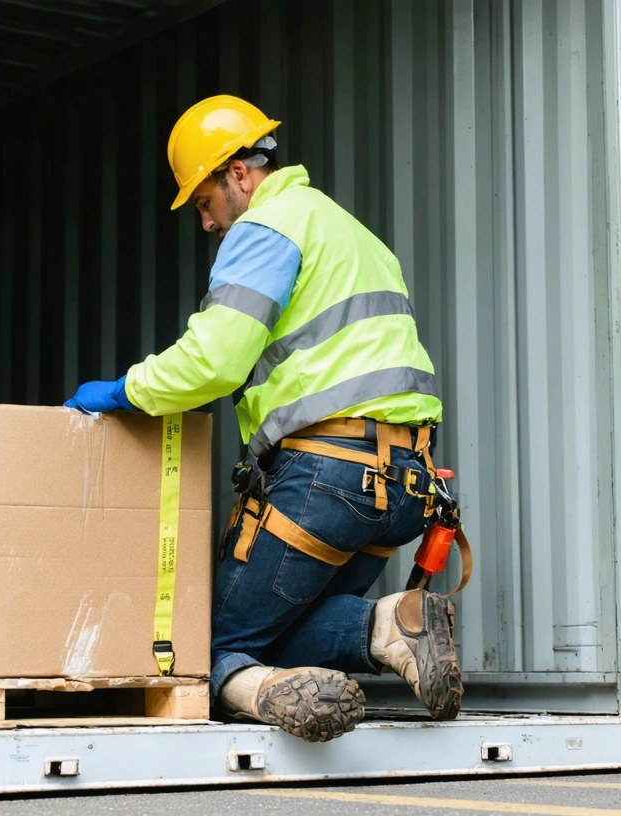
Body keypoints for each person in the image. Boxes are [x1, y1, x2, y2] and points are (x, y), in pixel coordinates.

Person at [65, 95, 463, 742]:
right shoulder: (348, 230)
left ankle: (266, 687)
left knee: (205, 644)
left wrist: (124, 391)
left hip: (326, 482)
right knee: (280, 624)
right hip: (406, 487)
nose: (206, 222)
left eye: (203, 201)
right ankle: (392, 624)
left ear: (240, 174)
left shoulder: (268, 227)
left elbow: (214, 362)